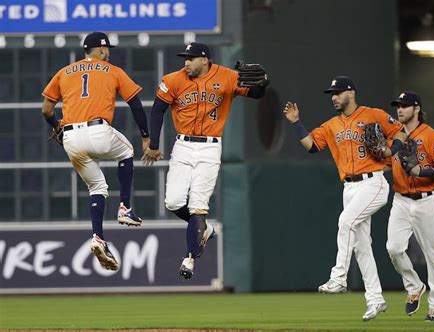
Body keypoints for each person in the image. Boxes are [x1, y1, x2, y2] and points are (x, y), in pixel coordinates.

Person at [283, 76, 407, 321]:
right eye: (332, 93)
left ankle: (339, 277)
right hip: (349, 188)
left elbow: (401, 132)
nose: (334, 97)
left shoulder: (374, 114)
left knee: (345, 222)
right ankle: (375, 299)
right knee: (361, 246)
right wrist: (297, 123)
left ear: (352, 93)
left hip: (373, 183)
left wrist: (390, 151)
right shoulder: (331, 125)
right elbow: (311, 146)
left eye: (338, 92)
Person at [142, 42, 269, 279]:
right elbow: (157, 110)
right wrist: (155, 144)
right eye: (185, 58)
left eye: (191, 58)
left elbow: (256, 93)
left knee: (198, 205)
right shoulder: (173, 80)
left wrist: (263, 84)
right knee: (173, 202)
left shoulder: (227, 77)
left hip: (210, 147)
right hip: (182, 145)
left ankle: (189, 259)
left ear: (205, 60)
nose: (186, 63)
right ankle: (205, 229)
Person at [41, 32, 150, 271]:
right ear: (100, 50)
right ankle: (125, 207)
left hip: (70, 136)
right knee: (126, 151)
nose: (108, 52)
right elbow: (136, 104)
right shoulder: (113, 70)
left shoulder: (64, 71)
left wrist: (56, 128)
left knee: (97, 187)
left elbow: (47, 109)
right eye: (107, 49)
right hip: (97, 130)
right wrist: (145, 136)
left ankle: (98, 237)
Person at [385, 91, 434, 322]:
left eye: (404, 106)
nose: (399, 110)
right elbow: (385, 163)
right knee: (393, 248)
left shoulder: (431, 135)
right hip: (400, 200)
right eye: (397, 106)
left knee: (433, 255)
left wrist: (420, 171)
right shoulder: (394, 136)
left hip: (427, 200)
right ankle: (414, 286)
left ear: (417, 109)